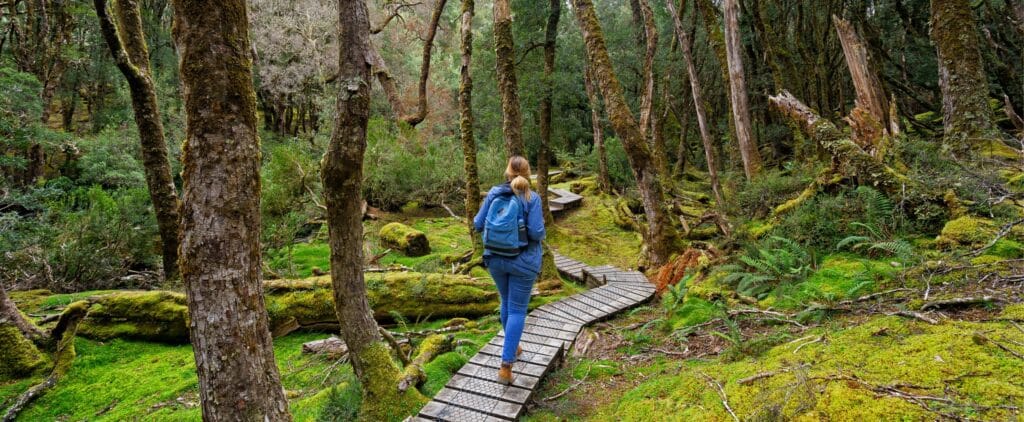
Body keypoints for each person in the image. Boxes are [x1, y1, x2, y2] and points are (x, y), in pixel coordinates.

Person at [473, 156, 546, 384]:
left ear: (507, 172)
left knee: (506, 302)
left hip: (495, 258)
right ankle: (505, 366)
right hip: (523, 261)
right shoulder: (531, 198)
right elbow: (535, 233)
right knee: (516, 310)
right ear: (528, 173)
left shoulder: (494, 193)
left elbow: (477, 224)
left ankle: (512, 348)